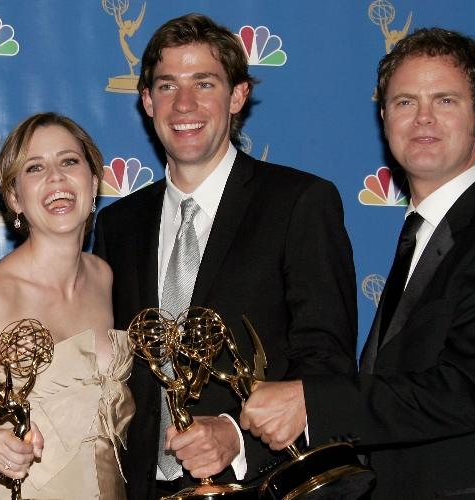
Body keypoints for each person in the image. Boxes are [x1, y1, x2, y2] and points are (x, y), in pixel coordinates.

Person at [240, 28, 475, 498]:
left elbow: (463, 392)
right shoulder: (422, 233)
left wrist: (311, 400)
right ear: (383, 119)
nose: (422, 119)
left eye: (444, 101)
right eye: (404, 102)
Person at [92, 13, 359, 499]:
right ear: (147, 101)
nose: (184, 104)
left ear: (237, 96)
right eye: (167, 86)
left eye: (204, 83)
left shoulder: (299, 202)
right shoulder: (117, 225)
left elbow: (326, 367)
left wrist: (236, 436)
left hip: (261, 485)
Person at [0, 112, 134, 499]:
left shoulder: (104, 277)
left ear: (93, 183)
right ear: (14, 198)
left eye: (69, 161)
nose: (56, 178)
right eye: (35, 167)